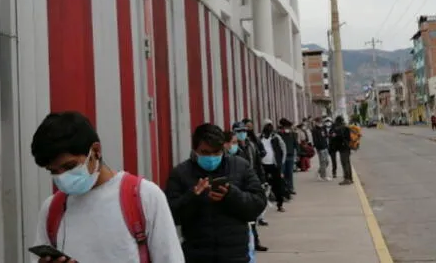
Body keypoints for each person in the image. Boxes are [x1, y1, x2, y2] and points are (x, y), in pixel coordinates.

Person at [30, 111, 183, 263]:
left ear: (95, 151)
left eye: (70, 166)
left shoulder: (144, 197)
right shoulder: (52, 210)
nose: (62, 177)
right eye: (54, 171)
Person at [165, 123, 267, 263]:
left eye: (217, 152)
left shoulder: (241, 166)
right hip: (197, 255)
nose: (212, 157)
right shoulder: (181, 173)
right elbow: (171, 214)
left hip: (235, 255)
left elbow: (258, 203)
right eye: (205, 152)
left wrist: (232, 195)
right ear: (195, 150)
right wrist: (193, 197)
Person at [232, 121, 269, 253]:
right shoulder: (233, 149)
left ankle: (255, 242)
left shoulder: (251, 146)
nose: (242, 133)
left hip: (251, 183)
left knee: (252, 215)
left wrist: (262, 180)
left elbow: (258, 164)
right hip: (238, 186)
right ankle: (246, 244)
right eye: (239, 131)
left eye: (244, 131)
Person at [260, 119, 287, 212]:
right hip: (263, 165)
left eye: (270, 125)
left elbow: (284, 149)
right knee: (264, 185)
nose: (269, 127)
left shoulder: (276, 137)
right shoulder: (259, 138)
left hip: (274, 165)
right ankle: (263, 205)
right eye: (267, 125)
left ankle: (280, 204)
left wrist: (281, 162)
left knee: (278, 185)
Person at [329, 116, 353, 185]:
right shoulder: (346, 128)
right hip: (347, 148)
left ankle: (346, 179)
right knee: (348, 163)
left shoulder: (340, 129)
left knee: (344, 164)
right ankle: (350, 178)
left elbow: (338, 138)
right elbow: (348, 138)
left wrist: (335, 136)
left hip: (343, 149)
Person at [278, 118, 299, 196]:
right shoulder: (279, 135)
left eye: (288, 127)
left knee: (290, 173)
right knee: (282, 173)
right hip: (282, 157)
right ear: (282, 127)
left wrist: (298, 154)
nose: (288, 129)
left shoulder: (292, 134)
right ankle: (284, 189)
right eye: (286, 127)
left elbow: (296, 144)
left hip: (290, 156)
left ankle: (290, 188)